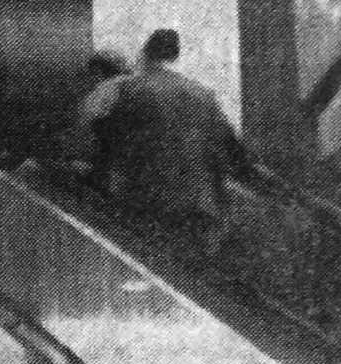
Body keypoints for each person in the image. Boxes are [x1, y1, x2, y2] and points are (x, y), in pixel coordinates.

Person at [94, 29, 252, 259]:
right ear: (176, 57)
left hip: (146, 201)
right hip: (199, 205)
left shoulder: (130, 89)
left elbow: (110, 142)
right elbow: (235, 152)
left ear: (144, 54)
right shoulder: (204, 95)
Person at [79, 50, 133, 186]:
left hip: (111, 133)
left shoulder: (107, 87)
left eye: (93, 73)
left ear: (99, 70)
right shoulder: (131, 82)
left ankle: (98, 178)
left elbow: (91, 113)